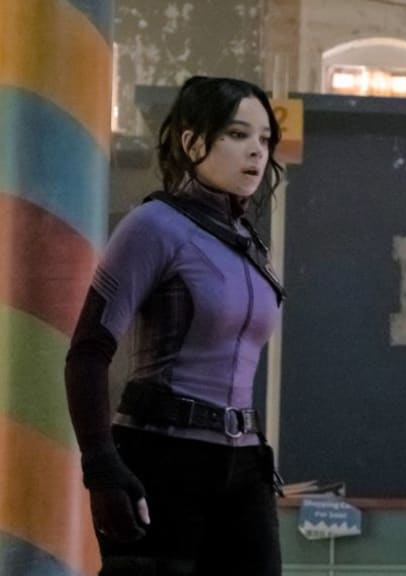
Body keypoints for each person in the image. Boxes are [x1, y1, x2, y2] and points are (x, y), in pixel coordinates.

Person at [65, 76, 287, 575]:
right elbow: (88, 352)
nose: (257, 150)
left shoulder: (249, 245)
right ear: (192, 142)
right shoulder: (154, 226)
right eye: (237, 134)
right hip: (162, 456)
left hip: (245, 465)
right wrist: (100, 464)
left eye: (264, 138)